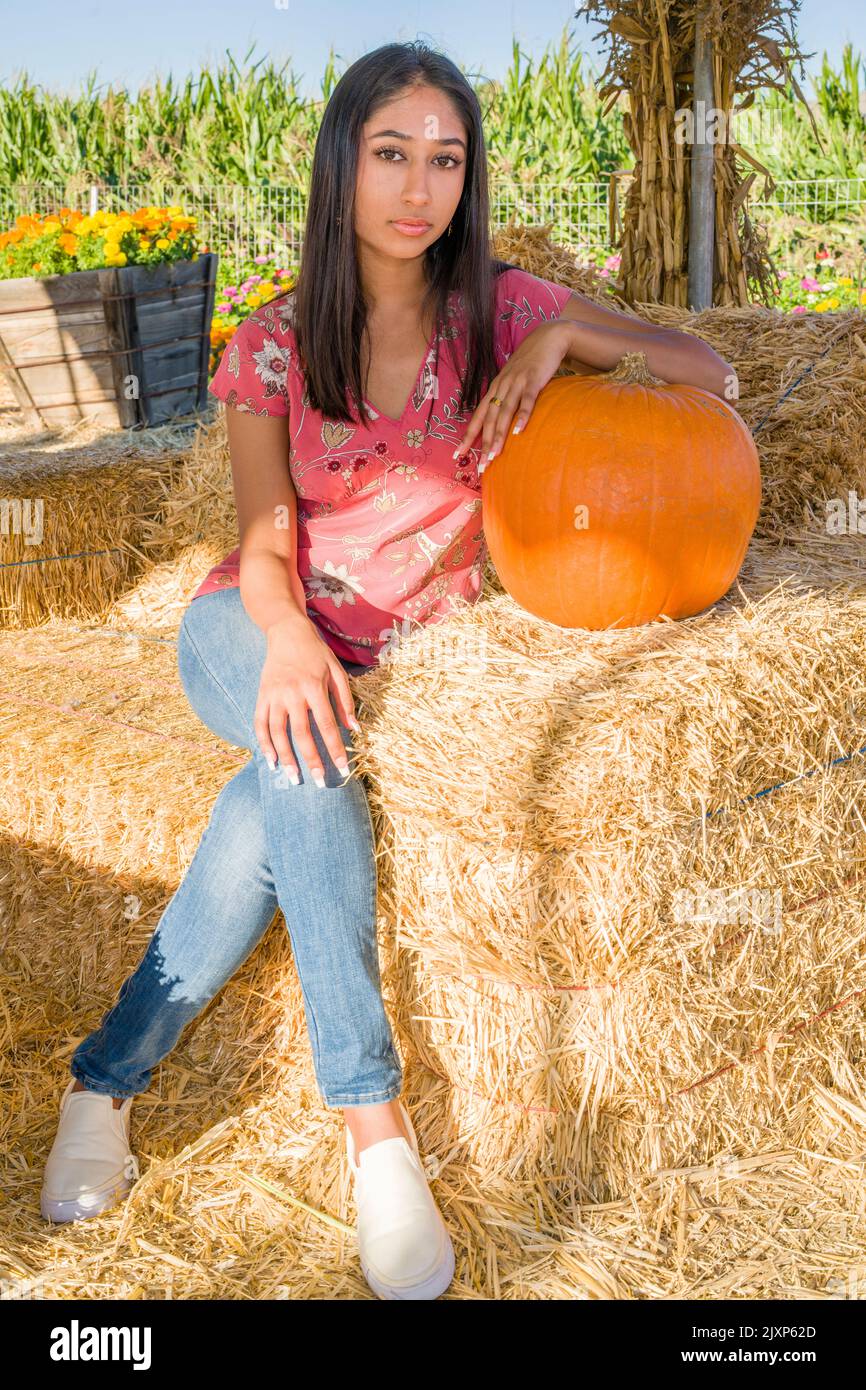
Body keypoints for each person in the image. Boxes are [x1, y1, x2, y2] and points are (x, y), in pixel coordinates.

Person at [40, 40, 734, 1300]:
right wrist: (290, 634)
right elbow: (260, 547)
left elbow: (713, 375)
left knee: (278, 791)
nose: (420, 188)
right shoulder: (269, 342)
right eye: (390, 154)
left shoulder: (503, 313)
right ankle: (377, 1133)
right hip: (252, 621)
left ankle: (102, 1080)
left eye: (446, 160)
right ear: (340, 163)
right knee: (306, 736)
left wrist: (566, 336)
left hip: (400, 664)